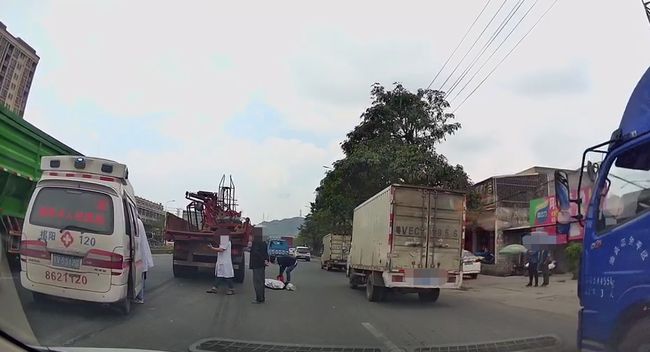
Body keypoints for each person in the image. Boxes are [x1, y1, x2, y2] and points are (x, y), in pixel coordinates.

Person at [134, 218, 154, 304]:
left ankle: (140, 296)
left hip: (137, 252)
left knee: (139, 275)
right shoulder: (138, 222)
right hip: (139, 253)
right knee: (140, 275)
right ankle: (140, 296)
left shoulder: (135, 221)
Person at [249, 232, 269, 304]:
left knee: (257, 282)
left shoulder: (255, 243)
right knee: (261, 281)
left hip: (257, 264)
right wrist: (266, 260)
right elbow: (266, 253)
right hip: (262, 265)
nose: (249, 238)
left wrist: (263, 260)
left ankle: (258, 298)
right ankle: (262, 298)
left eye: (250, 236)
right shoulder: (264, 243)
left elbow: (256, 253)